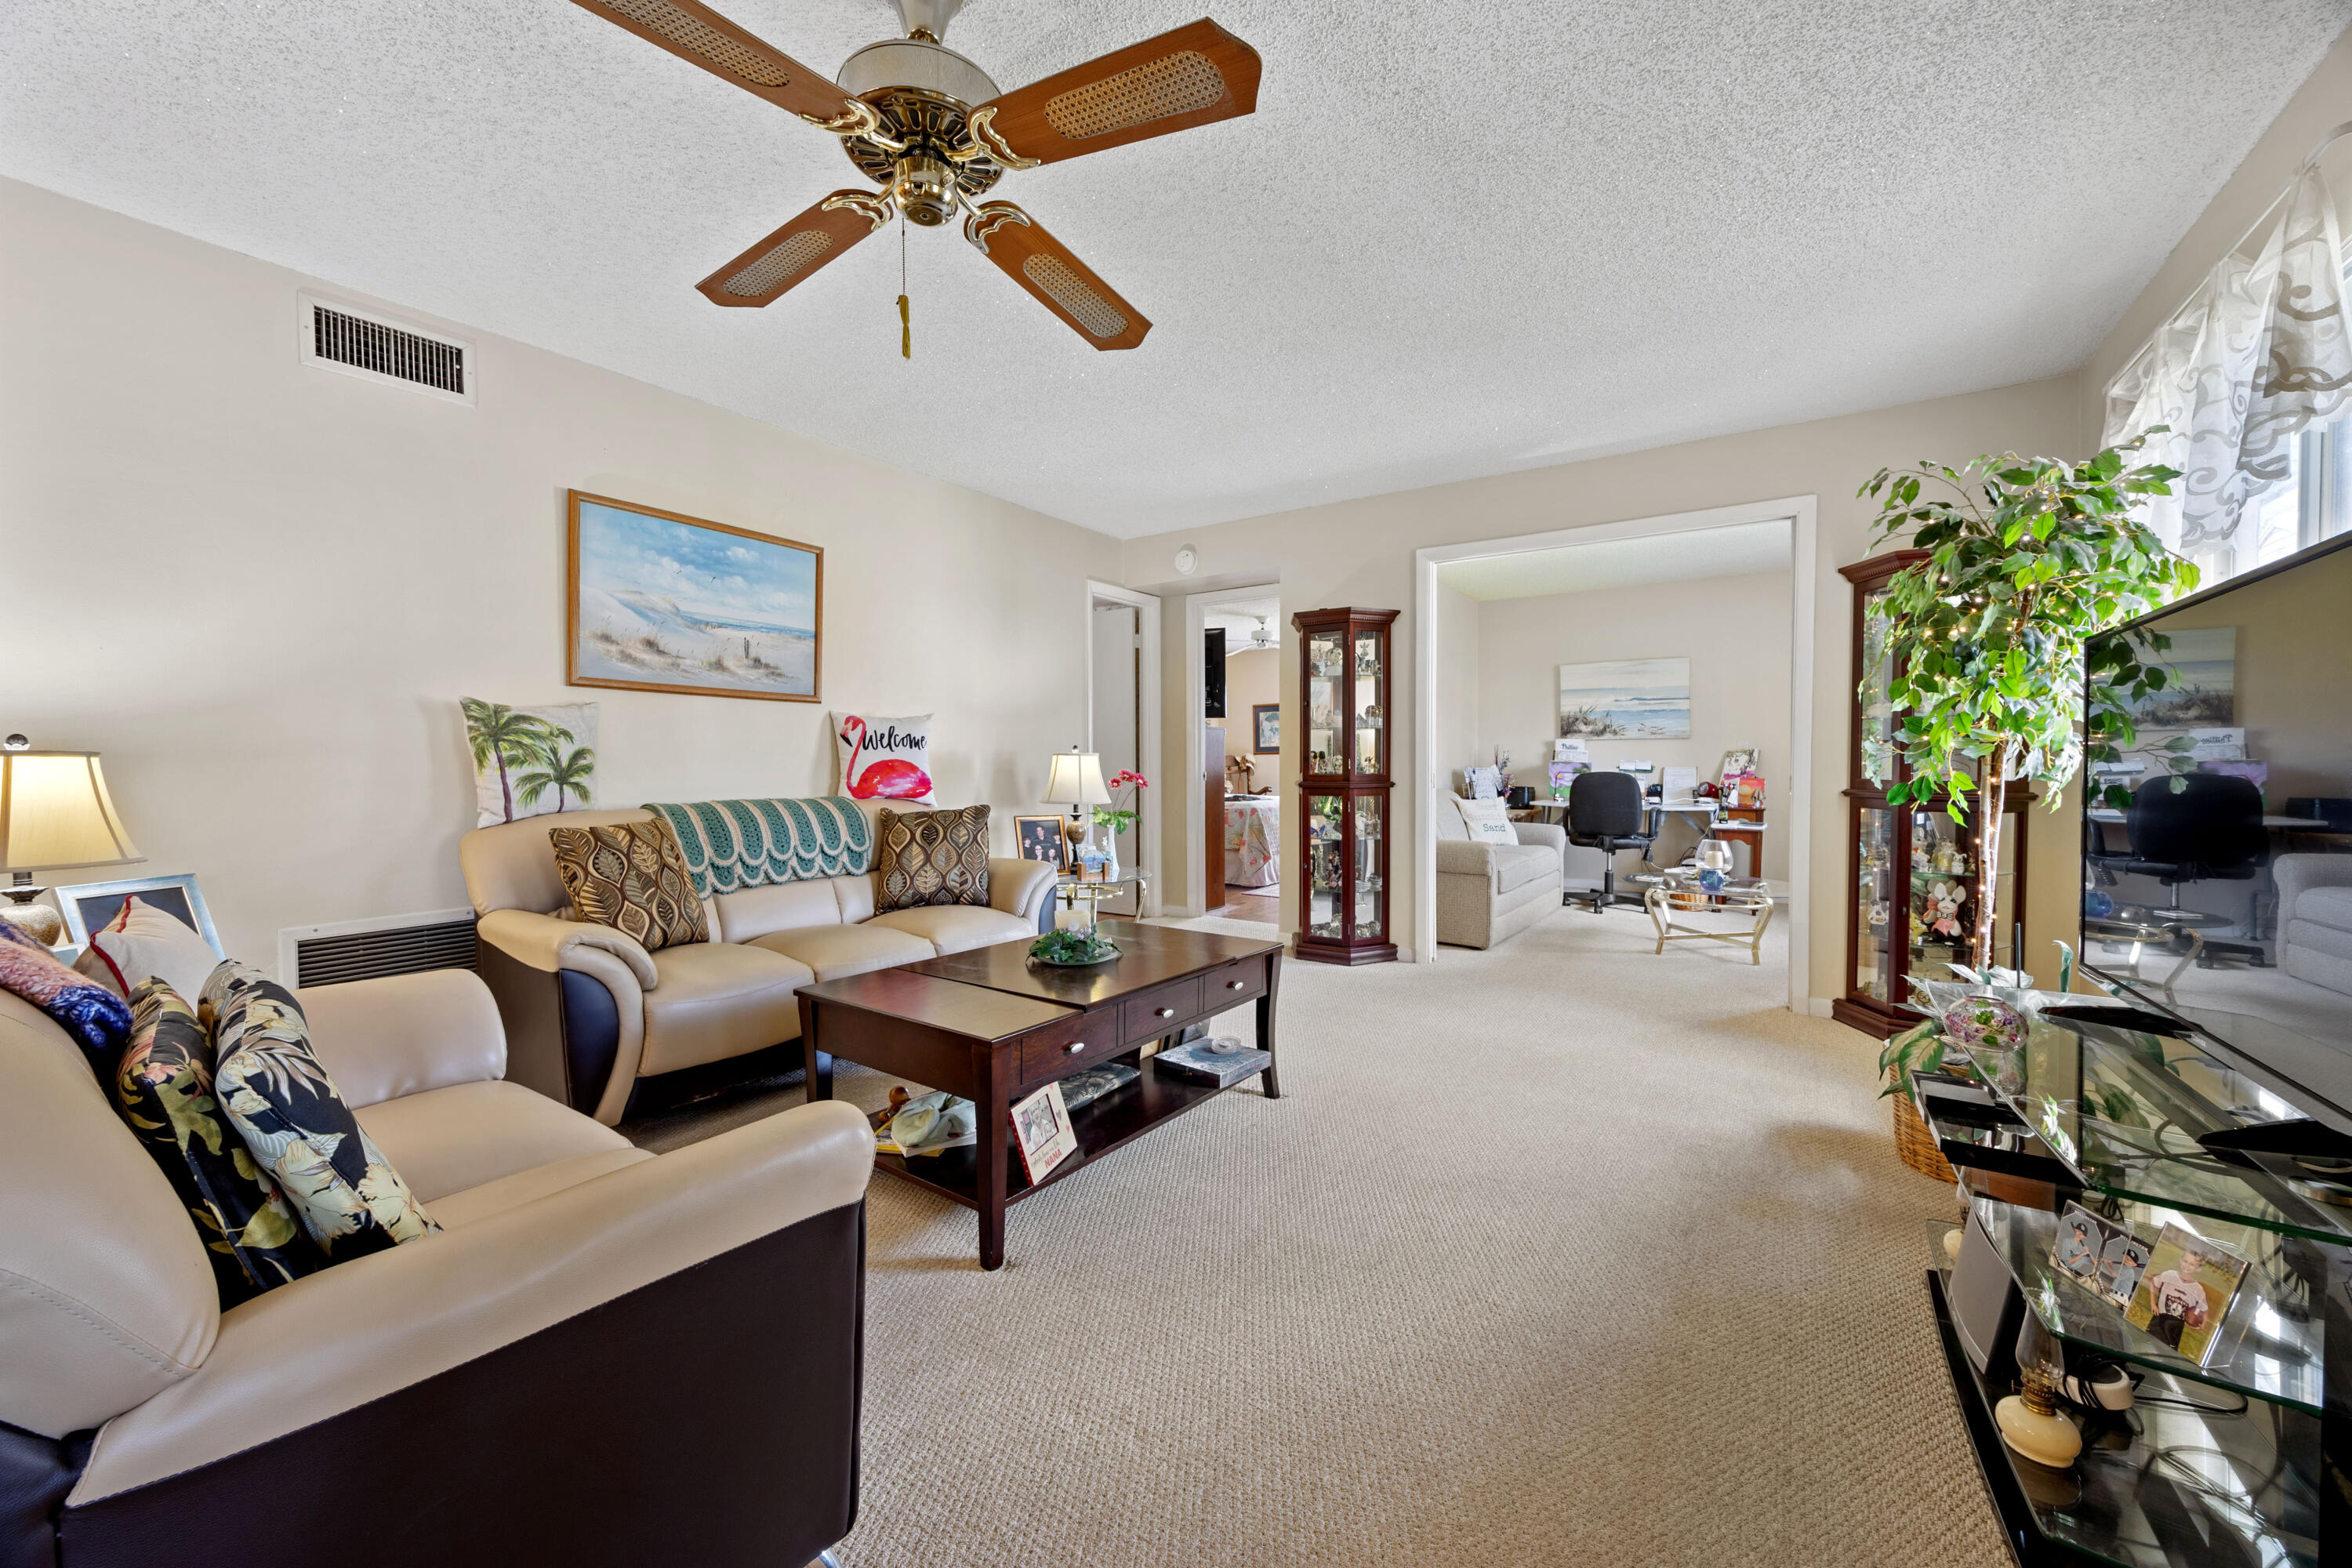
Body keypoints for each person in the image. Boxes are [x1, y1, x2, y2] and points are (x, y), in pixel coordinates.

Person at [2140, 1250, 2212, 1352]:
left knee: (2167, 1353)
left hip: (2177, 1327)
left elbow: (2204, 1309)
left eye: (2192, 1264)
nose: (2187, 1265)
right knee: (2146, 1345)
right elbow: (2153, 1282)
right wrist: (2153, 1303)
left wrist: (2202, 1325)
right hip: (2159, 1320)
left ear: (2198, 1268)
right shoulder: (2170, 1275)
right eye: (2185, 1261)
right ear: (2180, 1260)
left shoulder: (2198, 1289)